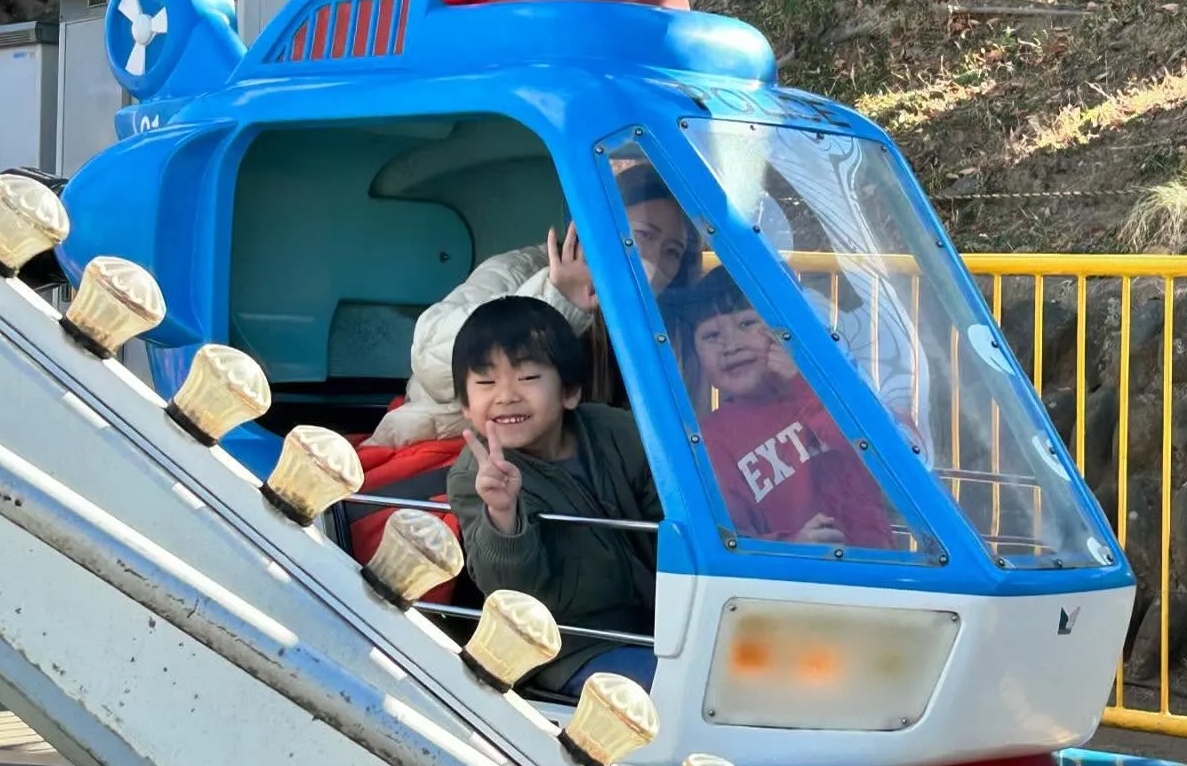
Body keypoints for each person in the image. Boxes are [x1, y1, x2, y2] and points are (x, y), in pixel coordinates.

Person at [370, 163, 699, 449]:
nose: (654, 258)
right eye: (642, 236)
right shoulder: (521, 270)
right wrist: (557, 301)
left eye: (672, 251)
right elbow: (432, 359)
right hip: (454, 453)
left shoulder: (658, 321)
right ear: (598, 227)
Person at [446, 296, 661, 699]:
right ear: (465, 407)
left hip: (653, 624)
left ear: (570, 392)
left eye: (527, 378)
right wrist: (502, 512)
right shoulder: (476, 476)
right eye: (487, 383)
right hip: (562, 649)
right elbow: (508, 593)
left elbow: (668, 524)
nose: (507, 395)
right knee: (669, 690)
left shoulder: (617, 432)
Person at [679, 268, 901, 551]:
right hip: (789, 586)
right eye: (711, 335)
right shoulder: (711, 439)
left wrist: (805, 383)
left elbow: (880, 455)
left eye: (746, 324)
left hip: (878, 572)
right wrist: (792, 546)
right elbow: (731, 539)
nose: (731, 346)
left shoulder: (833, 396)